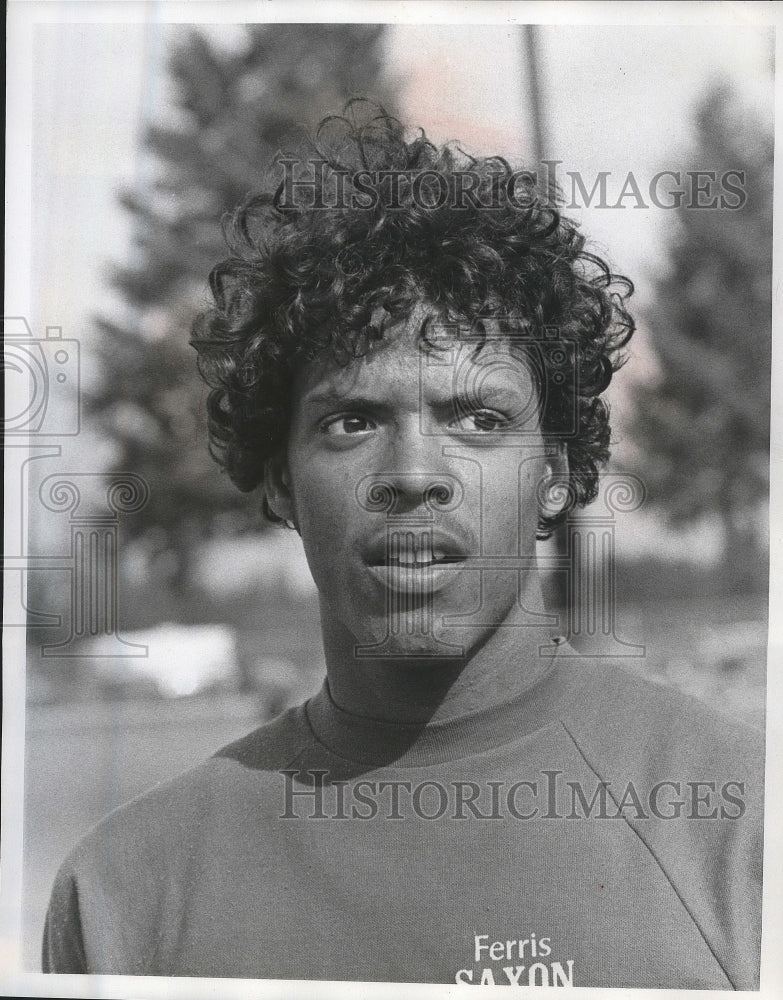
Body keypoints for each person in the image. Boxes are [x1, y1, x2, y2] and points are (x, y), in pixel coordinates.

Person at [42, 105, 763, 988]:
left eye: (479, 419)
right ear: (278, 480)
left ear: (556, 475)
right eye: (351, 421)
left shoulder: (741, 822)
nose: (415, 474)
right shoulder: (125, 896)